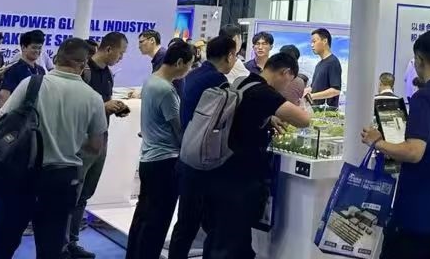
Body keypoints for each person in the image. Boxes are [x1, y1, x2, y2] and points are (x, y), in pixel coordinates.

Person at [0, 38, 107, 259]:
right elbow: (95, 146)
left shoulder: (31, 84)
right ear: (83, 64)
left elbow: (2, 121)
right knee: (51, 248)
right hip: (61, 180)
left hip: (19, 174)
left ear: (56, 58)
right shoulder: (94, 98)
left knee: (1, 245)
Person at [361, 31, 430, 259]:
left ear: (419, 59)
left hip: (417, 214)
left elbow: (414, 151)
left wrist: (378, 141)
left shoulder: (423, 98)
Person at [198, 53, 311, 257]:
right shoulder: (265, 93)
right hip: (240, 178)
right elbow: (303, 120)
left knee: (220, 236)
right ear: (285, 73)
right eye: (289, 80)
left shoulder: (244, 82)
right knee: (233, 241)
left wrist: (269, 118)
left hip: (220, 170)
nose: (287, 86)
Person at [169, 35, 239, 259]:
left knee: (185, 222)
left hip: (187, 152)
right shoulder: (217, 80)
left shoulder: (194, 74)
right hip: (203, 159)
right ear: (230, 56)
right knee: (210, 223)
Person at [125, 41, 195, 259]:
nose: (189, 70)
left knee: (143, 216)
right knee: (157, 222)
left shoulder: (151, 81)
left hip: (149, 158)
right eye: (189, 65)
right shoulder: (166, 90)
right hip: (166, 161)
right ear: (180, 62)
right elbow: (178, 130)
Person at [65, 31, 128, 259]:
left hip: (100, 139)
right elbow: (76, 106)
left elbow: (102, 103)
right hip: (81, 141)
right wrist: (104, 106)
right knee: (72, 193)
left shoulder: (108, 74)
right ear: (109, 49)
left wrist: (114, 108)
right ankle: (62, 244)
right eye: (120, 53)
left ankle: (72, 241)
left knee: (85, 194)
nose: (121, 58)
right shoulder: (85, 72)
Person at [0, 30, 46, 106]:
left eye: (39, 48)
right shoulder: (13, 70)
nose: (37, 51)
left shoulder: (41, 70)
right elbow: (4, 95)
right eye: (34, 47)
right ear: (23, 47)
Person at [306, 28, 342, 108]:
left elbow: (335, 90)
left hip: (326, 112)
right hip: (316, 110)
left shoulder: (333, 62)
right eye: (311, 42)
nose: (312, 45)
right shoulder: (319, 65)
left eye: (314, 41)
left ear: (325, 41)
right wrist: (305, 92)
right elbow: (314, 87)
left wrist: (312, 96)